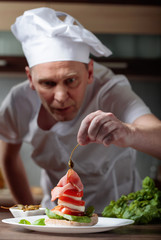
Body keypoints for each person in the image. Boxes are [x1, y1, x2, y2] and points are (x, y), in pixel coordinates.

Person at [0, 7, 161, 213]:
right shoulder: (18, 101)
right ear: (31, 79)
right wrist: (30, 213)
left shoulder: (110, 90)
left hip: (119, 218)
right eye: (48, 83)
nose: (60, 96)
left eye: (71, 80)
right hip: (56, 217)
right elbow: (8, 158)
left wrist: (130, 132)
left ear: (90, 72)